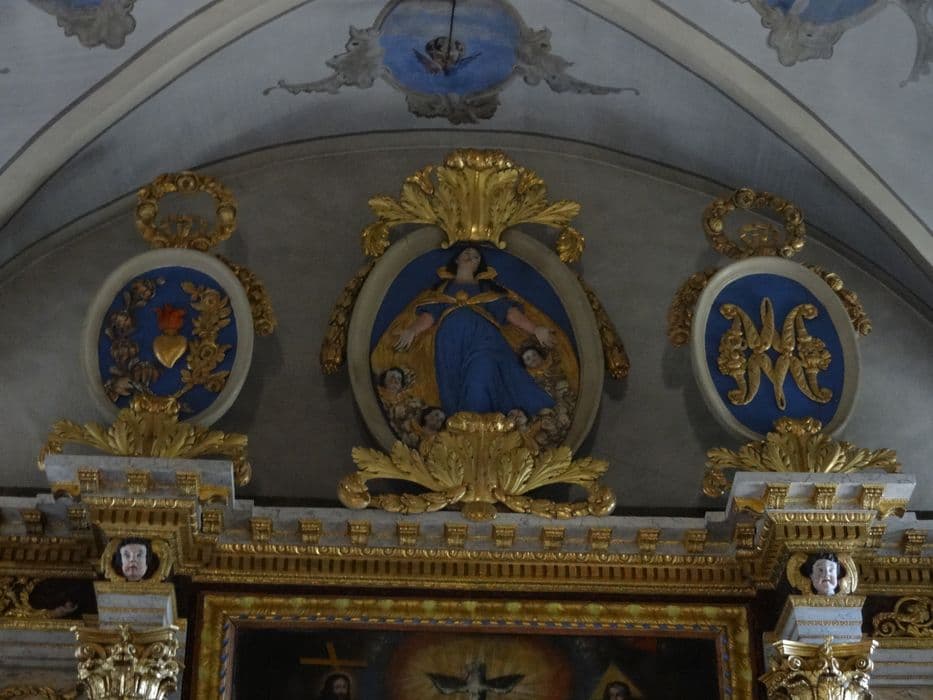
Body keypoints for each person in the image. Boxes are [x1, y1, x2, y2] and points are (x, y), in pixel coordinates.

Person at [393, 246, 556, 418]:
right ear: (456, 259)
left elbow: (508, 312)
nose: (471, 257)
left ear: (480, 265)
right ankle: (461, 427)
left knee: (481, 371)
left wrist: (535, 329)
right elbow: (430, 314)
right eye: (467, 253)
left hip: (484, 340)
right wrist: (412, 331)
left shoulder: (485, 289)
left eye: (476, 256)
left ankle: (480, 423)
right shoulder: (442, 290)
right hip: (450, 346)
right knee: (453, 387)